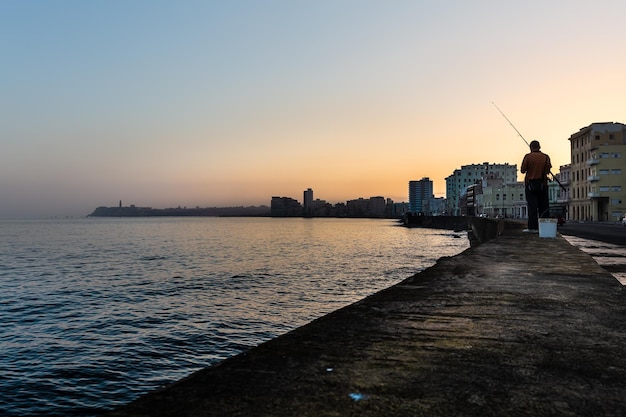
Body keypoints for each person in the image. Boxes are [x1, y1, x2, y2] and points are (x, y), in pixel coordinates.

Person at [520, 140, 551, 232]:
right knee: (544, 207)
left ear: (530, 147)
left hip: (530, 185)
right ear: (539, 147)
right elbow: (547, 171)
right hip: (543, 185)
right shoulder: (546, 157)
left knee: (532, 207)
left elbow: (522, 170)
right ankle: (545, 228)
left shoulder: (528, 157)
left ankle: (532, 228)